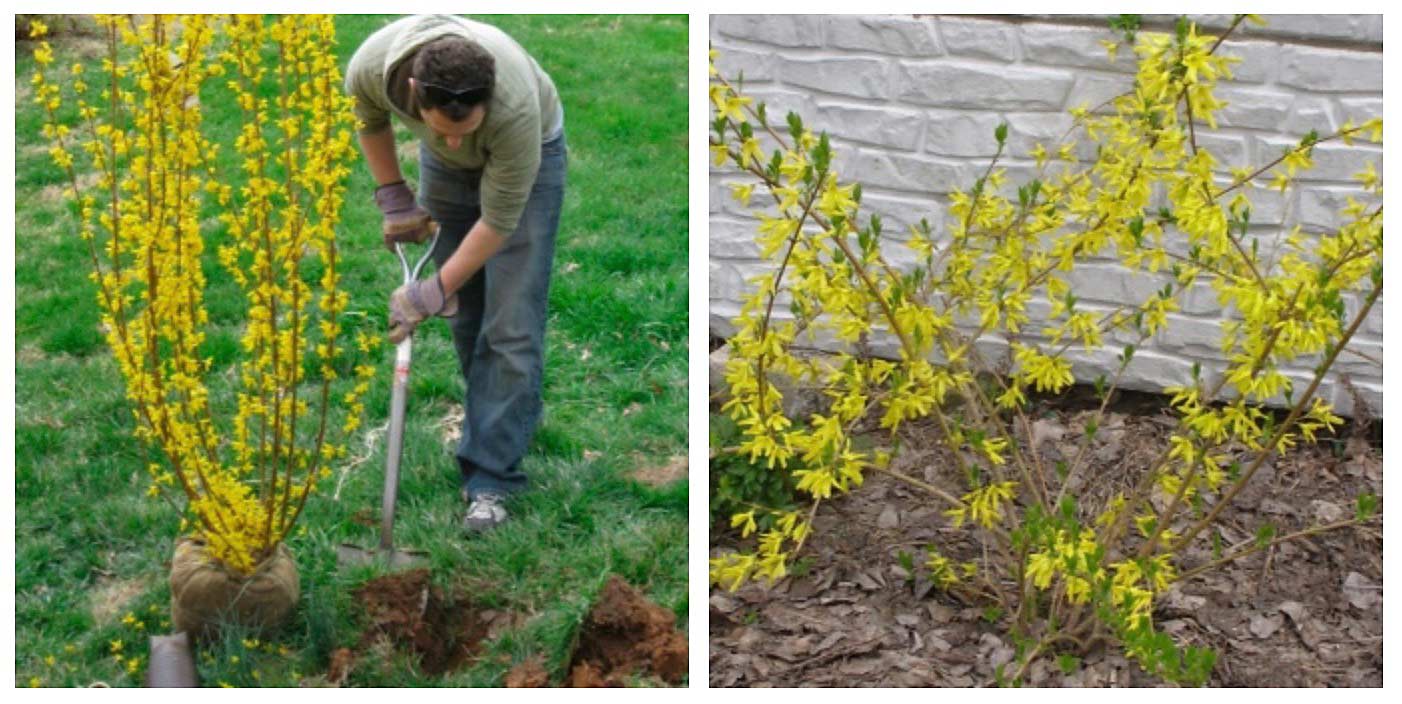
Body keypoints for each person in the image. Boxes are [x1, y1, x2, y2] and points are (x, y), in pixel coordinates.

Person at [345, 14, 566, 532]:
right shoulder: (372, 68)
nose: (448, 140)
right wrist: (394, 197)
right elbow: (369, 120)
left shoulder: (513, 112)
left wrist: (433, 289)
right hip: (447, 177)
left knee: (510, 322)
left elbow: (498, 223)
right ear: (416, 91)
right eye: (437, 130)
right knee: (466, 316)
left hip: (528, 165)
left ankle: (491, 478)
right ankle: (494, 420)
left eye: (461, 130)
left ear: (487, 101)